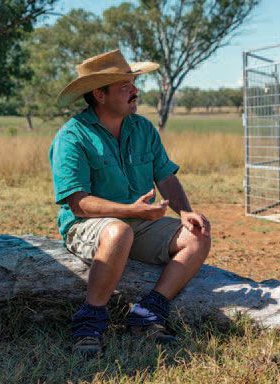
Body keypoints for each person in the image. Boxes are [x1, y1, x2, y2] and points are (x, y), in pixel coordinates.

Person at [49, 50, 211, 356]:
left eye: (133, 84)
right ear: (99, 94)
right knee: (119, 231)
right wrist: (132, 211)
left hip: (140, 222)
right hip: (89, 226)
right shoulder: (72, 137)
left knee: (198, 233)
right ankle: (90, 321)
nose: (135, 91)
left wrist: (186, 211)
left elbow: (165, 178)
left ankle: (148, 314)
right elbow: (79, 204)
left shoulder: (142, 129)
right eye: (126, 86)